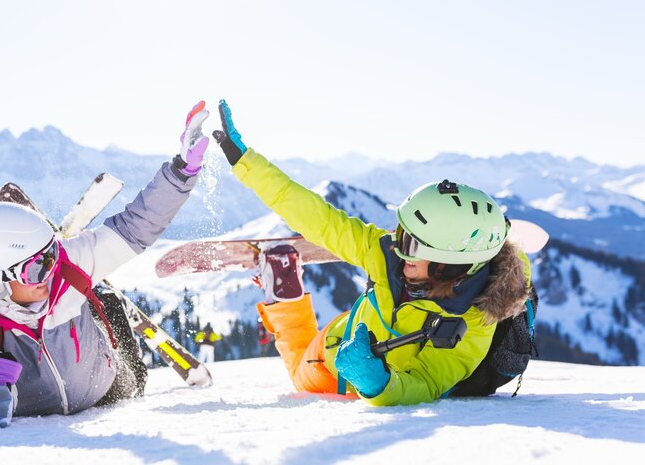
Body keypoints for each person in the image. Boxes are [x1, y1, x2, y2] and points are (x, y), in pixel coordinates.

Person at [212, 100, 532, 406]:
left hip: (336, 374)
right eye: (402, 234)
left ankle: (285, 299)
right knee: (300, 362)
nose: (399, 248)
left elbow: (428, 381)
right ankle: (286, 298)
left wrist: (379, 386)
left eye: (412, 245)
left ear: (449, 266)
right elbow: (318, 219)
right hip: (340, 338)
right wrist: (245, 162)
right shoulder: (386, 252)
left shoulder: (476, 320)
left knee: (299, 372)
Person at [0, 101, 211, 430]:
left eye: (51, 254)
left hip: (110, 388)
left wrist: (181, 172)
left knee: (101, 307)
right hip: (34, 410)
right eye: (36, 267)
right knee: (91, 293)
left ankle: (100, 298)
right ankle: (101, 295)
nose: (50, 271)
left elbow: (138, 225)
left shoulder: (68, 267)